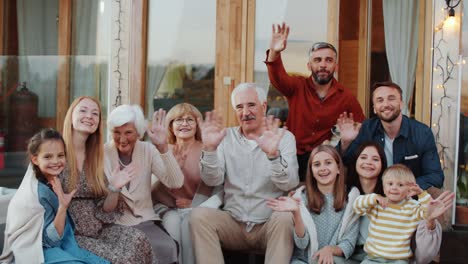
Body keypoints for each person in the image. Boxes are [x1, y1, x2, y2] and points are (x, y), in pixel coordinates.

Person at [190, 83, 299, 264]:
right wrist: (209, 149)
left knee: (285, 217)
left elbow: (289, 183)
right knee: (198, 217)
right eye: (239, 107)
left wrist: (273, 156)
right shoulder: (224, 137)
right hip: (233, 223)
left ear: (264, 106)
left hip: (268, 224)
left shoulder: (283, 138)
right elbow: (212, 179)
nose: (245, 112)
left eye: (251, 105)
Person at [265, 22, 365, 180]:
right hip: (292, 157)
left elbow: (362, 128)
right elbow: (277, 78)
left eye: (328, 60)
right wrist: (274, 52)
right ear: (309, 65)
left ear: (336, 66)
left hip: (323, 163)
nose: (323, 65)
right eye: (317, 60)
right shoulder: (297, 86)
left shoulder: (346, 97)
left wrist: (342, 142)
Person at [60, 96, 154, 264]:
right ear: (71, 115)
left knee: (139, 240)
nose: (89, 116)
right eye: (83, 110)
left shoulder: (96, 157)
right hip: (72, 234)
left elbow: (106, 209)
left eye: (95, 113)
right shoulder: (57, 152)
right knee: (121, 258)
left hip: (100, 228)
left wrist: (114, 188)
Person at [0, 129, 109, 264]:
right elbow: (49, 240)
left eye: (60, 155)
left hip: (61, 242)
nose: (56, 161)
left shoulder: (52, 180)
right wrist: (63, 207)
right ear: (35, 159)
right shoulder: (39, 193)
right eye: (48, 157)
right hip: (36, 251)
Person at [347, 142, 454, 264]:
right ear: (383, 186)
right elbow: (357, 206)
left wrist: (421, 194)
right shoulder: (378, 203)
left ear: (409, 189)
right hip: (373, 258)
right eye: (390, 184)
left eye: (400, 185)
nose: (394, 188)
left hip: (399, 260)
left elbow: (428, 212)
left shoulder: (412, 207)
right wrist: (374, 197)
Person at [103, 104, 184, 264]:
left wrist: (162, 147)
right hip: (113, 223)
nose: (122, 138)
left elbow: (175, 182)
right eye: (116, 132)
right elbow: (103, 205)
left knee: (167, 247)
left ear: (139, 133)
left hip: (145, 221)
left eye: (128, 132)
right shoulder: (102, 153)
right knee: (134, 249)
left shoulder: (148, 150)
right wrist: (115, 187)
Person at [338, 81, 444, 195]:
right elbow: (345, 163)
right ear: (374, 108)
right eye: (380, 100)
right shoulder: (367, 128)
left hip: (408, 198)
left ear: (402, 104)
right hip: (373, 195)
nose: (386, 104)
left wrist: (403, 188)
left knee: (436, 194)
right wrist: (345, 142)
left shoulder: (422, 132)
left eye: (391, 98)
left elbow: (435, 176)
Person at [268, 145, 360, 264]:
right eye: (317, 164)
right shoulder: (301, 198)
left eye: (328, 162)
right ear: (311, 171)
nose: (322, 168)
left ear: (338, 168)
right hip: (305, 260)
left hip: (335, 260)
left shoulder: (351, 197)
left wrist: (329, 250)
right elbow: (302, 244)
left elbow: (349, 243)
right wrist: (296, 212)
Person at [152, 103, 218, 264]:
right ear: (171, 126)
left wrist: (195, 204)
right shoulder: (162, 150)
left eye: (190, 119)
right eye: (178, 120)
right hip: (166, 208)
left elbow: (218, 187)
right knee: (172, 223)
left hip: (199, 208)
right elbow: (152, 186)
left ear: (198, 125)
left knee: (189, 224)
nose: (184, 124)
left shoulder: (208, 149)